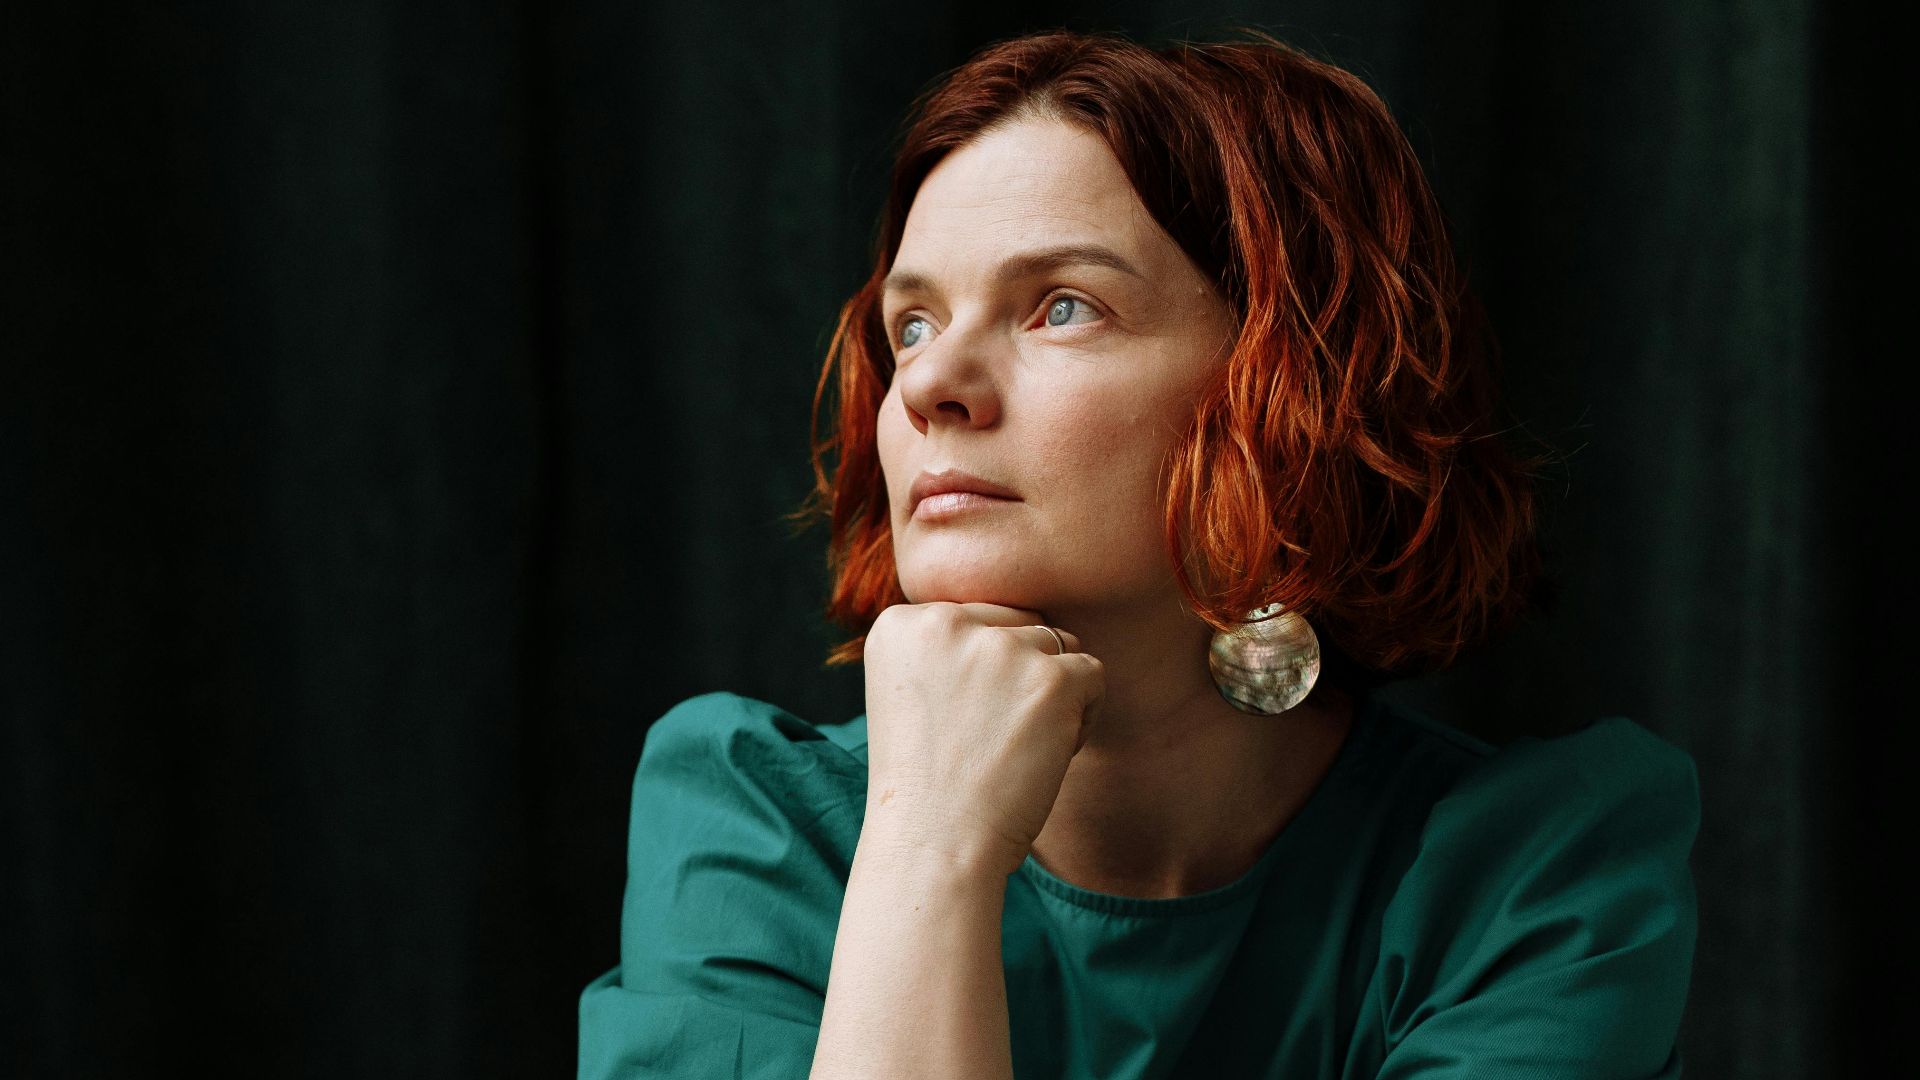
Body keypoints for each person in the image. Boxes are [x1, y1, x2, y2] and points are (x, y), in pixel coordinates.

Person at [578, 28, 1699, 1080]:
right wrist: (928, 847)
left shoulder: (1534, 880)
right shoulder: (754, 832)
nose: (925, 384)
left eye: (1061, 307)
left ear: (1288, 388)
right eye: (911, 324)